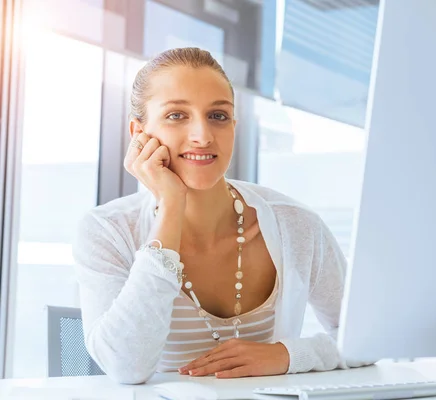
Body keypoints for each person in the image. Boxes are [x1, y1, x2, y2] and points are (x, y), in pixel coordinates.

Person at [72, 47, 374, 385]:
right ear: (138, 133)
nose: (202, 136)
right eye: (176, 115)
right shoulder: (107, 231)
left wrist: (288, 355)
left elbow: (368, 336)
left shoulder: (295, 225)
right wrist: (171, 205)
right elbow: (125, 366)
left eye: (218, 115)